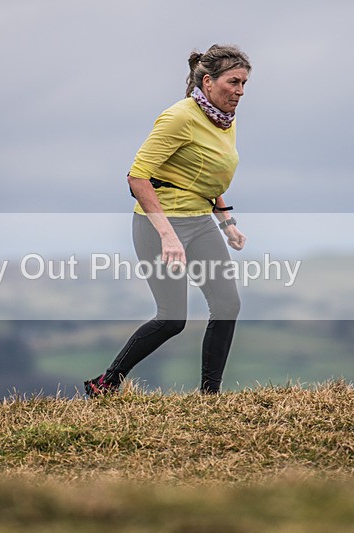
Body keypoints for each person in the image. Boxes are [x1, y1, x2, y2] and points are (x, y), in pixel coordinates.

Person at [85, 45, 250, 397]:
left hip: (200, 222)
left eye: (244, 84)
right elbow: (137, 177)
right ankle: (106, 383)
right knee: (173, 318)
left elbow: (206, 178)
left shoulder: (224, 119)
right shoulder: (179, 117)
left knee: (227, 305)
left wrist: (227, 222)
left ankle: (210, 395)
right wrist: (168, 235)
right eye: (233, 82)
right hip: (158, 225)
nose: (239, 91)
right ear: (208, 82)